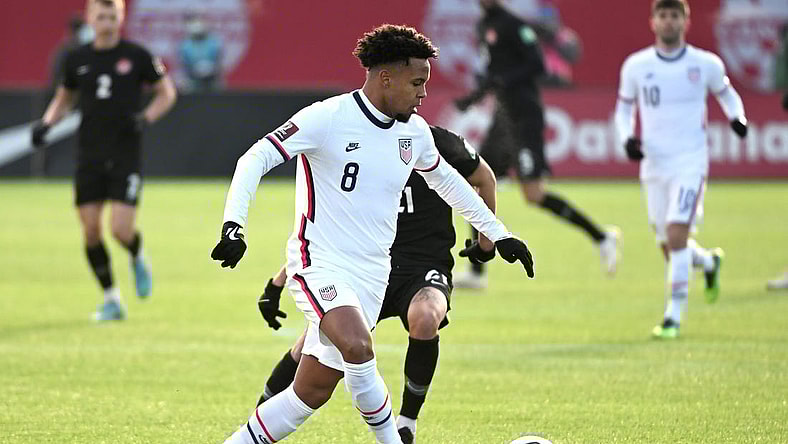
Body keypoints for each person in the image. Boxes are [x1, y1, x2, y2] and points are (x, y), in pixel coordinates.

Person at [210, 24, 534, 444]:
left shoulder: (414, 133)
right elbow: (254, 158)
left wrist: (500, 234)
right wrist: (234, 225)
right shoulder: (327, 117)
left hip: (372, 276)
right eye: (417, 83)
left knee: (308, 393)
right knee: (360, 350)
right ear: (386, 78)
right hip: (320, 264)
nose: (422, 94)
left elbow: (450, 183)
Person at [255, 125, 497, 444]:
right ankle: (258, 420)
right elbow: (329, 231)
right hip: (366, 268)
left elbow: (485, 179)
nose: (420, 94)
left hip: (424, 266)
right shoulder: (354, 149)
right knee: (311, 346)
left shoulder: (437, 142)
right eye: (414, 84)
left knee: (425, 316)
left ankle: (407, 422)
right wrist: (278, 281)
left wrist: (485, 243)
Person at [454, 0, 618, 289]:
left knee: (533, 194)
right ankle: (477, 272)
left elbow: (537, 64)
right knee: (476, 181)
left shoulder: (515, 25)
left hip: (525, 116)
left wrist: (503, 80)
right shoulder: (484, 26)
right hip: (503, 117)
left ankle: (602, 237)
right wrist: (475, 97)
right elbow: (494, 74)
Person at [31, 0, 177, 321]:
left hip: (125, 153)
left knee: (121, 230)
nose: (107, 21)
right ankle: (111, 299)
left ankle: (137, 254)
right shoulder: (77, 58)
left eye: (112, 15)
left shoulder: (137, 55)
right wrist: (46, 124)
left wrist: (145, 118)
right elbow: (64, 97)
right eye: (101, 15)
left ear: (121, 17)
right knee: (91, 231)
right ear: (90, 18)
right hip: (89, 154)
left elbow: (167, 92)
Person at [614, 0, 747, 339]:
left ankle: (673, 316)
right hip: (653, 164)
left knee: (676, 236)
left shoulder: (705, 64)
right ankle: (708, 262)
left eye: (675, 15)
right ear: (653, 21)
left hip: (690, 162)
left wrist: (737, 118)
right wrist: (628, 138)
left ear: (686, 21)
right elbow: (623, 110)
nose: (669, 21)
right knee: (667, 243)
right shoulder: (636, 65)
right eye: (663, 15)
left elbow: (728, 95)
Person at [179, 14, 223, 92]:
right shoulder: (185, 45)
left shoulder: (213, 42)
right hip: (193, 80)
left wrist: (210, 69)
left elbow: (218, 62)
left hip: (212, 79)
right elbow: (184, 65)